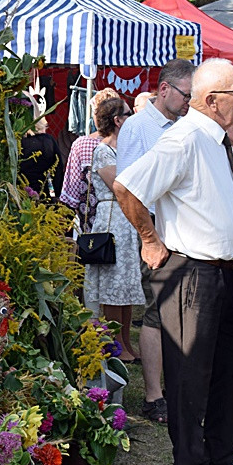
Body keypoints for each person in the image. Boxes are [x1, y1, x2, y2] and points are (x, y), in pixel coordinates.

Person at [115, 58, 233, 465]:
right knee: (190, 376)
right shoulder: (184, 138)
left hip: (230, 272)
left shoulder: (221, 141)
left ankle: (221, 455)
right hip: (193, 273)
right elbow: (128, 187)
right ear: (213, 101)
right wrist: (149, 240)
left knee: (229, 370)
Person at [116, 58, 193, 426]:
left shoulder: (186, 125)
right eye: (185, 95)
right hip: (157, 232)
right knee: (157, 310)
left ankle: (178, 387)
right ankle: (153, 395)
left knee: (183, 312)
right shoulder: (138, 126)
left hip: (186, 231)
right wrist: (149, 236)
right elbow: (128, 186)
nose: (188, 102)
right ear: (164, 90)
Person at [83, 98, 141, 362]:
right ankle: (115, 344)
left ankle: (126, 342)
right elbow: (121, 186)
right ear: (117, 120)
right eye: (128, 114)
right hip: (112, 220)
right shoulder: (104, 151)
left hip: (127, 220)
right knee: (113, 288)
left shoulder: (127, 149)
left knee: (126, 287)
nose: (132, 118)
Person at [60, 87, 120, 229]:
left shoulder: (82, 144)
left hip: (91, 223)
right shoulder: (130, 142)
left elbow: (72, 191)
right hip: (126, 216)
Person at [19, 117, 65, 199]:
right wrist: (54, 194)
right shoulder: (48, 141)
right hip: (44, 195)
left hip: (19, 194)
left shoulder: (17, 142)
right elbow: (57, 174)